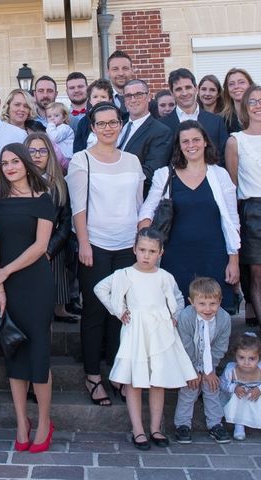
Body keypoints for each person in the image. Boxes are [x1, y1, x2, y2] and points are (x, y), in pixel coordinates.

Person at [65, 102, 145, 407]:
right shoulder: (81, 160)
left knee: (120, 313)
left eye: (114, 122)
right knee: (96, 312)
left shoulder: (133, 161)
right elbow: (78, 207)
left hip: (127, 246)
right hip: (95, 245)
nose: (108, 128)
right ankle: (92, 375)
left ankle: (117, 372)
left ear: (121, 124)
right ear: (93, 127)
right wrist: (83, 243)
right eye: (102, 124)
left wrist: (140, 245)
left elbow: (138, 206)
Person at [94, 228, 196, 450]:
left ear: (160, 253)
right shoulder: (125, 274)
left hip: (160, 332)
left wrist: (174, 316)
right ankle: (137, 429)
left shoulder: (164, 277)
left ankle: (156, 428)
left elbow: (178, 298)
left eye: (152, 251)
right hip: (136, 331)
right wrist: (118, 310)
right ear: (134, 249)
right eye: (142, 250)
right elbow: (100, 288)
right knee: (134, 380)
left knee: (157, 379)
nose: (146, 255)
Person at [0, 142, 55, 453]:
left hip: (35, 283)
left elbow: (41, 246)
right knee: (14, 352)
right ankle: (21, 421)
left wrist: (5, 272)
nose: (10, 167)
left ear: (27, 163)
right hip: (7, 287)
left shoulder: (43, 199)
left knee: (38, 352)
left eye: (16, 161)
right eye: (5, 163)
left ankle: (43, 420)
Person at [139, 120, 240, 309]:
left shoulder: (220, 175)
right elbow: (147, 211)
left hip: (214, 256)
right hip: (175, 256)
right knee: (177, 314)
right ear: (179, 145)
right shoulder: (165, 175)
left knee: (214, 314)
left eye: (196, 140)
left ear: (205, 142)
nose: (191, 145)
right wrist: (145, 244)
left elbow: (233, 221)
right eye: (185, 141)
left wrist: (233, 261)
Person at [174, 277, 232, 444]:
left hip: (209, 362)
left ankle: (215, 424)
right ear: (192, 302)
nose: (208, 309)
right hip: (188, 361)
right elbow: (185, 345)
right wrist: (193, 370)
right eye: (202, 304)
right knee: (189, 388)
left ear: (220, 301)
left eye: (213, 303)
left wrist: (209, 370)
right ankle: (182, 424)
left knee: (212, 386)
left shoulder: (224, 319)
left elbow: (220, 346)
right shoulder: (186, 317)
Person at [24, 133, 75, 323]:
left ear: (50, 155)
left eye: (43, 151)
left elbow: (66, 220)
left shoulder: (59, 184)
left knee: (56, 267)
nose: (37, 155)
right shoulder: (16, 183)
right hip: (23, 246)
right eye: (32, 151)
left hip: (52, 248)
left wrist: (50, 249)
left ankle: (59, 308)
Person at [225, 85, 261, 331]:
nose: (258, 105)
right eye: (253, 102)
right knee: (258, 275)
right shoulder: (236, 140)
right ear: (245, 108)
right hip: (253, 211)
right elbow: (232, 185)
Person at [160, 68, 229, 164]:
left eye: (188, 87)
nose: (184, 93)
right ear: (172, 93)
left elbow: (223, 156)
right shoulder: (162, 125)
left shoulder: (216, 122)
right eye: (179, 89)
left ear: (196, 88)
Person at [119, 80, 173, 192]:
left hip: (138, 197)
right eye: (128, 96)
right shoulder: (118, 125)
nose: (133, 100)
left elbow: (151, 173)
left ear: (149, 97)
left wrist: (112, 178)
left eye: (138, 95)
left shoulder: (161, 132)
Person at [220, 333, 261, 441]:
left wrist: (259, 389)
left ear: (259, 357)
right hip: (240, 397)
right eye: (241, 357)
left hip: (256, 397)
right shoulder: (231, 370)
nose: (246, 363)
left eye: (252, 358)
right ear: (235, 356)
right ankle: (239, 424)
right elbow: (222, 384)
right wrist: (234, 388)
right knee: (239, 397)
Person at [73, 79, 115, 154]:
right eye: (95, 97)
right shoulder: (83, 122)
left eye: (103, 97)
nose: (99, 100)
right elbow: (77, 147)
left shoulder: (115, 119)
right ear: (90, 100)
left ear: (110, 100)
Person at [221, 68, 255, 134]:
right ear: (227, 90)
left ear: (250, 85)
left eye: (241, 82)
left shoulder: (258, 114)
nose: (236, 87)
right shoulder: (222, 120)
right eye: (231, 84)